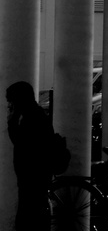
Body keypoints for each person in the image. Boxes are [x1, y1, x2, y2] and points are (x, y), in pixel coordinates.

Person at [6, 82, 53, 231]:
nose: (10, 105)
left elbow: (21, 144)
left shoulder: (31, 118)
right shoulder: (36, 114)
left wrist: (11, 121)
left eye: (11, 101)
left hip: (32, 178)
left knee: (28, 218)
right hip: (35, 177)